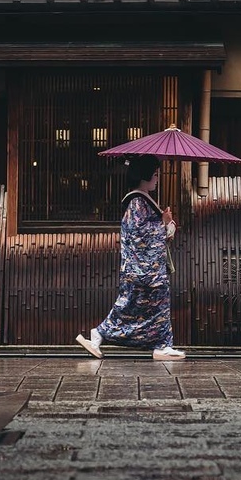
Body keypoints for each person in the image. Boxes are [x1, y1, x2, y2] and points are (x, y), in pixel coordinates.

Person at [77, 154, 185, 361]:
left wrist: (166, 224)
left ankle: (159, 343)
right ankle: (103, 333)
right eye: (155, 174)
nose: (157, 178)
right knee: (137, 307)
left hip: (143, 269)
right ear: (145, 175)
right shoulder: (137, 202)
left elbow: (149, 234)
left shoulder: (140, 201)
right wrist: (165, 223)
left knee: (139, 307)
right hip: (145, 270)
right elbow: (142, 236)